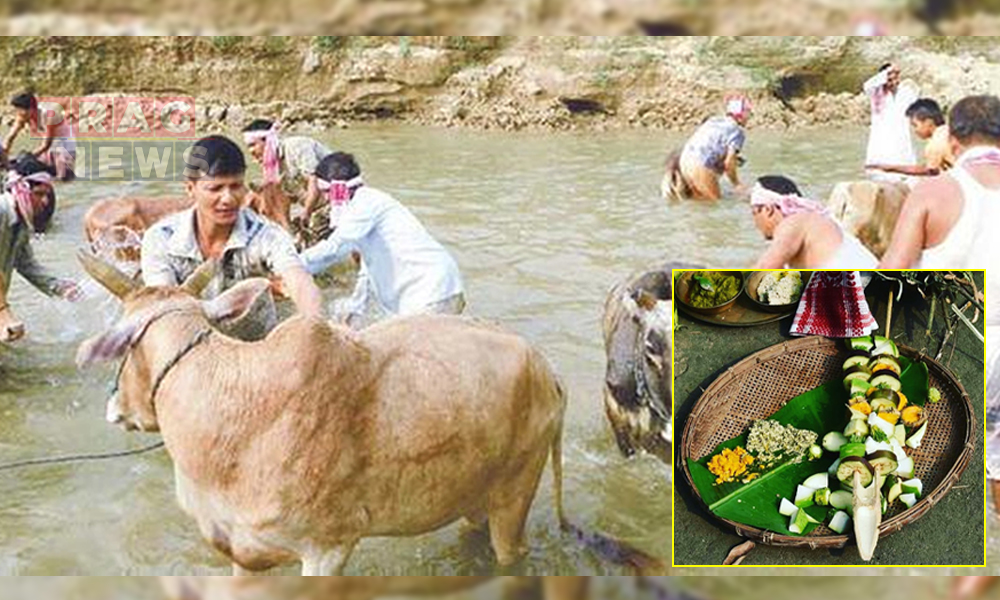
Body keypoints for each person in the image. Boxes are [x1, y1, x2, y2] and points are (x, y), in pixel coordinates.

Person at [141, 135, 324, 321]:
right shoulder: (160, 238)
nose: (228, 198)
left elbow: (298, 279)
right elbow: (165, 304)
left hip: (255, 342)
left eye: (236, 186)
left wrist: (314, 320)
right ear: (190, 188)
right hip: (189, 334)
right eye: (215, 188)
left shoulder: (268, 235)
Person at [300, 152, 465, 325]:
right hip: (430, 292)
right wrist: (354, 312)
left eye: (326, 193)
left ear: (336, 189)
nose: (326, 199)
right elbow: (367, 272)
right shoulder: (362, 208)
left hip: (432, 292)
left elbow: (336, 248)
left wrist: (291, 265)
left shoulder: (365, 204)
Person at [879, 94, 1000, 270]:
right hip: (980, 291)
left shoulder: (931, 190)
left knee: (832, 288)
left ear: (951, 141)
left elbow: (891, 275)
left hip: (959, 294)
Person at [0, 154, 81, 341]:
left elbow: (26, 265)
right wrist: (4, 312)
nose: (45, 202)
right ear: (21, 189)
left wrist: (59, 287)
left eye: (47, 195)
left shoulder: (20, 223)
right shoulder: (2, 211)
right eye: (39, 194)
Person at [750, 175, 878, 269]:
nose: (755, 224)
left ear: (768, 209)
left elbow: (763, 270)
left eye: (754, 213)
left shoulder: (793, 223)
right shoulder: (816, 222)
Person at [241, 119, 333, 244]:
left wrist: (306, 213)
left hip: (338, 199)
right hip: (314, 203)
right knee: (256, 194)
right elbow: (278, 196)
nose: (251, 151)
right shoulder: (270, 163)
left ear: (267, 140)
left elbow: (314, 182)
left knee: (313, 253)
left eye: (253, 145)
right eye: (249, 147)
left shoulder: (297, 146)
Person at [664, 96, 751, 201]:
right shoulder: (737, 131)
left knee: (698, 203)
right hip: (700, 165)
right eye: (748, 112)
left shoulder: (714, 120)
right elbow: (729, 164)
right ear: (740, 115)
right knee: (715, 205)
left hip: (684, 160)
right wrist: (737, 184)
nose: (749, 117)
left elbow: (709, 146)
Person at [866, 98, 954, 176]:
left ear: (929, 122)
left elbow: (929, 171)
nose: (914, 130)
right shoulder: (950, 131)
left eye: (915, 125)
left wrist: (891, 168)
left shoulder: (934, 145)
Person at [863, 63, 919, 183]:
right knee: (882, 176)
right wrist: (888, 71)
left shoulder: (905, 92)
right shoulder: (875, 93)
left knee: (908, 178)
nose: (892, 81)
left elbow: (916, 96)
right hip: (882, 140)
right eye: (889, 78)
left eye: (895, 77)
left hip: (902, 138)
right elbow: (867, 85)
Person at [2, 93, 77, 181]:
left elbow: (46, 145)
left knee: (61, 177)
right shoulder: (22, 116)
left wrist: (28, 156)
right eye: (16, 110)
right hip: (48, 148)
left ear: (32, 109)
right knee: (33, 174)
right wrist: (4, 158)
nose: (18, 113)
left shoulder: (49, 115)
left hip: (64, 145)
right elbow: (10, 138)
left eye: (20, 110)